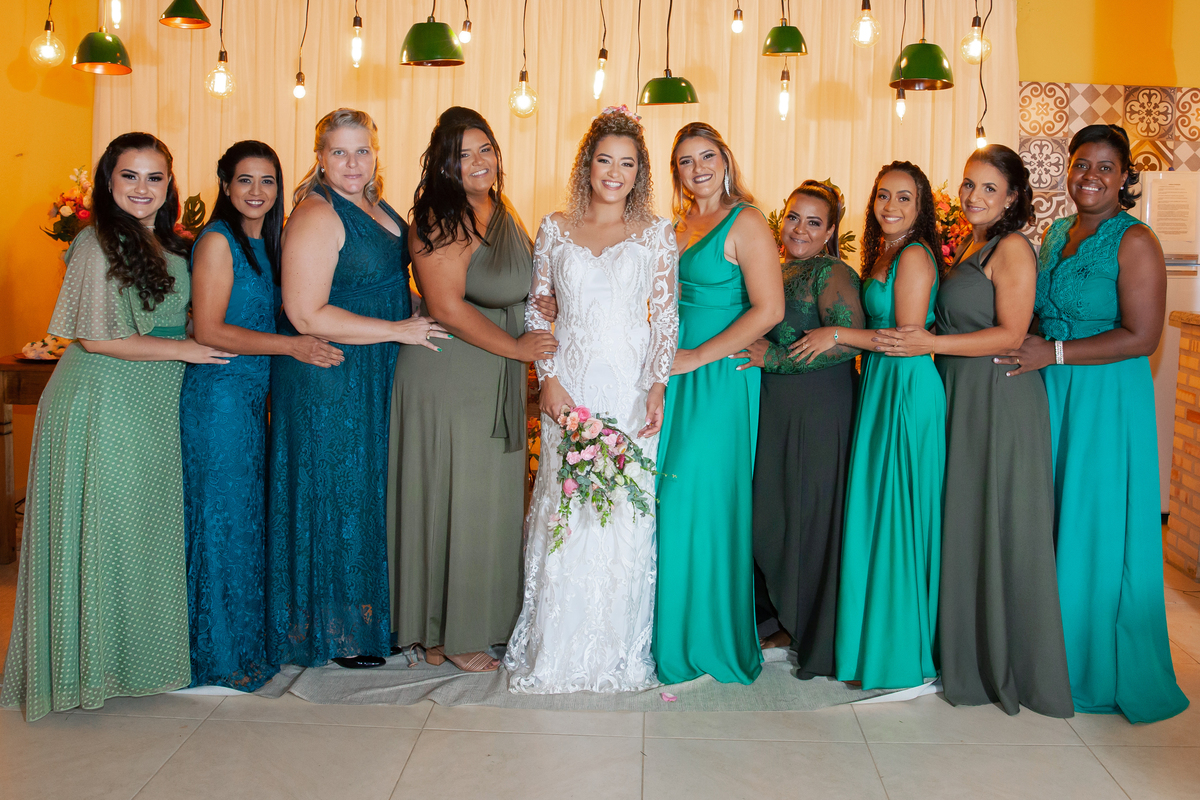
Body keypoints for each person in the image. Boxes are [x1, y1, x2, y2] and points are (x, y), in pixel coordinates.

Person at [1, 133, 234, 720]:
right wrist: (187, 350)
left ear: (169, 185)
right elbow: (96, 336)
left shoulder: (165, 241)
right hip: (101, 396)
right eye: (129, 176)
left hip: (148, 400)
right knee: (106, 529)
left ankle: (131, 662)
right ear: (108, 182)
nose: (142, 189)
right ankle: (85, 667)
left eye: (154, 178)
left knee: (135, 532)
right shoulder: (94, 241)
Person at [874, 146, 1073, 716]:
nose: (974, 197)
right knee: (966, 522)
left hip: (999, 398)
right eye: (968, 185)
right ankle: (966, 655)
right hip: (961, 393)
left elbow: (1012, 334)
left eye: (989, 188)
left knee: (1002, 525)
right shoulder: (971, 243)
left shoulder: (1012, 248)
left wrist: (930, 343)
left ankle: (1006, 664)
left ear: (1012, 197)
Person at [1000, 124, 1189, 723]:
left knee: (1092, 521)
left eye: (1106, 167)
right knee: (1049, 517)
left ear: (1126, 176)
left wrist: (1052, 353)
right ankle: (1042, 653)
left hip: (1105, 395)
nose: (1091, 176)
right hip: (1051, 388)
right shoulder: (1057, 232)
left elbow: (1143, 336)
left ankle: (1091, 667)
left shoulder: (1137, 242)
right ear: (1068, 168)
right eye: (1082, 164)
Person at [504, 106, 679, 693]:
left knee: (625, 515)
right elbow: (537, 307)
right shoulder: (555, 227)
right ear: (587, 164)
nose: (615, 172)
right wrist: (547, 375)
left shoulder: (657, 233)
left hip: (629, 387)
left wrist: (656, 383)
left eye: (627, 163)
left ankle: (617, 653)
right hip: (570, 384)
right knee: (567, 509)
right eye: (605, 159)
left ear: (640, 172)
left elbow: (666, 322)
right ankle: (555, 648)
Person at [266, 109, 447, 670]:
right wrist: (398, 329)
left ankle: (369, 617)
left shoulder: (376, 203)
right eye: (339, 152)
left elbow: (386, 283)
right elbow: (304, 311)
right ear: (319, 156)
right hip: (334, 372)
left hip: (374, 368)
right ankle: (334, 631)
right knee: (337, 493)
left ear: (375, 155)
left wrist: (427, 308)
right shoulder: (317, 213)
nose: (352, 162)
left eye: (362, 151)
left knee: (368, 491)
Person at [389, 107, 554, 673]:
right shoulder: (438, 216)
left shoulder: (499, 208)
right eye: (464, 153)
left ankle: (444, 631)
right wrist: (518, 349)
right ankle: (451, 636)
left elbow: (514, 279)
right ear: (443, 161)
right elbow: (445, 306)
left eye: (486, 148)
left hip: (494, 369)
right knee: (454, 498)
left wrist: (541, 303)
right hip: (452, 370)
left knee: (479, 502)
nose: (479, 161)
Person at [181, 141, 342, 691]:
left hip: (255, 401)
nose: (257, 192)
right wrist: (291, 346)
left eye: (268, 181)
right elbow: (209, 330)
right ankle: (217, 654)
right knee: (222, 522)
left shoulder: (270, 242)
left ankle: (248, 644)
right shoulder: (217, 241)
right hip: (219, 398)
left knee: (249, 523)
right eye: (245, 180)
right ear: (225, 185)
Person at [653, 123, 784, 685]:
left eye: (707, 156)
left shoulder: (746, 220)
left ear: (725, 160)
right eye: (685, 160)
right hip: (675, 375)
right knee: (669, 496)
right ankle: (669, 637)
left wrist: (698, 355)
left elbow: (769, 310)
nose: (697, 168)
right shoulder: (676, 225)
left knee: (703, 503)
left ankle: (709, 641)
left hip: (719, 376)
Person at [818, 161, 945, 690]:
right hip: (881, 384)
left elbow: (906, 337)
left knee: (898, 516)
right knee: (878, 512)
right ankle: (873, 642)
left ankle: (897, 653)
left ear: (920, 209)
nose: (890, 207)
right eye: (883, 196)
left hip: (907, 389)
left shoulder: (914, 256)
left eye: (904, 199)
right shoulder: (886, 252)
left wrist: (837, 336)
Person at [733, 181, 864, 679]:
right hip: (775, 409)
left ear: (831, 232)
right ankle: (783, 617)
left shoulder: (832, 272)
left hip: (820, 409)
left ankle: (812, 628)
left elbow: (850, 342)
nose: (800, 230)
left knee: (810, 517)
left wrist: (778, 357)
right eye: (793, 217)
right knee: (774, 512)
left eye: (814, 222)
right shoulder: (773, 268)